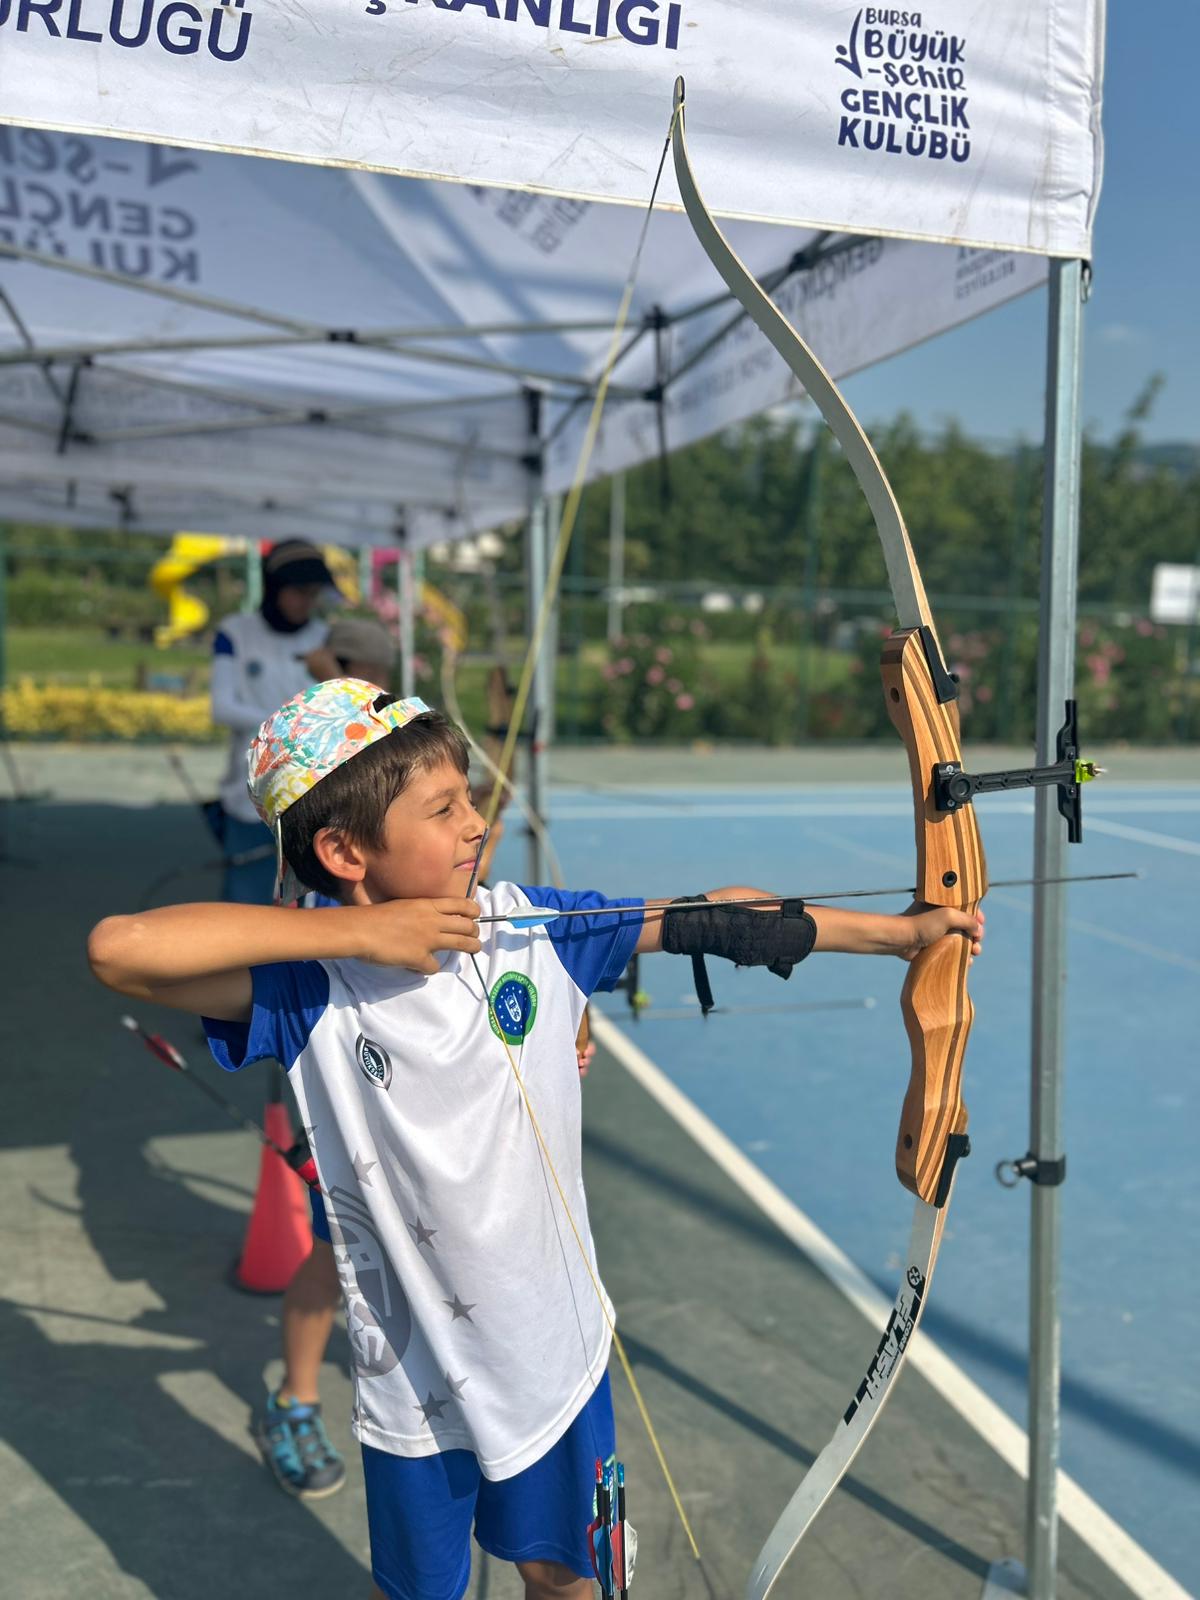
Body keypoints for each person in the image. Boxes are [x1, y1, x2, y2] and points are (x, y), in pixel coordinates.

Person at [88, 680, 983, 1600]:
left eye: (468, 798)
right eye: (443, 809)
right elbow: (118, 950)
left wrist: (901, 935)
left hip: (552, 1362)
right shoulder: (309, 985)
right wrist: (361, 932)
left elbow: (717, 917)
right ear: (345, 852)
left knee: (565, 1578)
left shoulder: (533, 928)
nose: (476, 823)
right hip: (415, 1385)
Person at [209, 540, 336, 904]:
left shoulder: (322, 637)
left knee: (303, 905)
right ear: (273, 587)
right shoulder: (235, 632)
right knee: (246, 901)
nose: (306, 601)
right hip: (248, 790)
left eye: (313, 593)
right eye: (298, 591)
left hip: (309, 791)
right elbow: (222, 707)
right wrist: (285, 724)